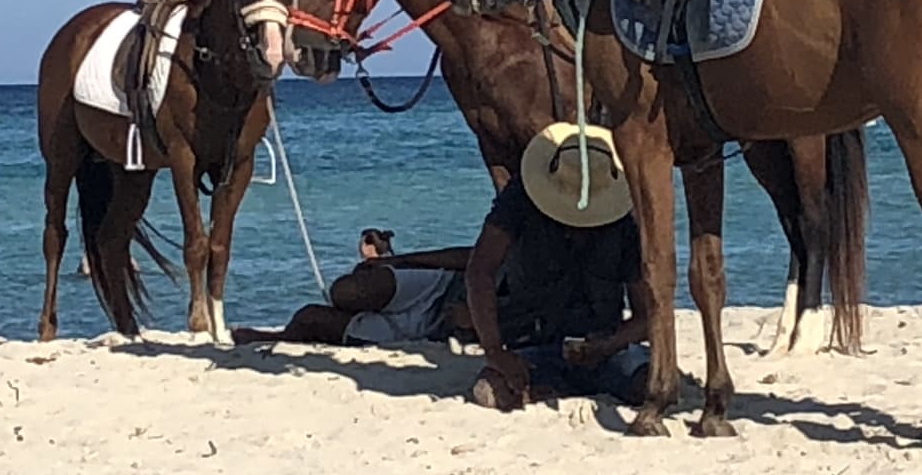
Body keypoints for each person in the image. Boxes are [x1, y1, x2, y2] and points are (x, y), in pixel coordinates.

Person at [466, 121, 650, 411]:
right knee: (492, 392)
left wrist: (609, 344)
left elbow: (647, 314)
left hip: (607, 348)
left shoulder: (624, 221)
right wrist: (495, 350)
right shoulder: (519, 199)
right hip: (532, 342)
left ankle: (560, 388)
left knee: (651, 385)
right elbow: (480, 270)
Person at [230, 228, 474, 346]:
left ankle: (279, 337)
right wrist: (400, 261)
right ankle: (379, 265)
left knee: (310, 316)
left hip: (439, 326)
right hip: (444, 285)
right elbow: (471, 256)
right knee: (347, 290)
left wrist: (476, 321)